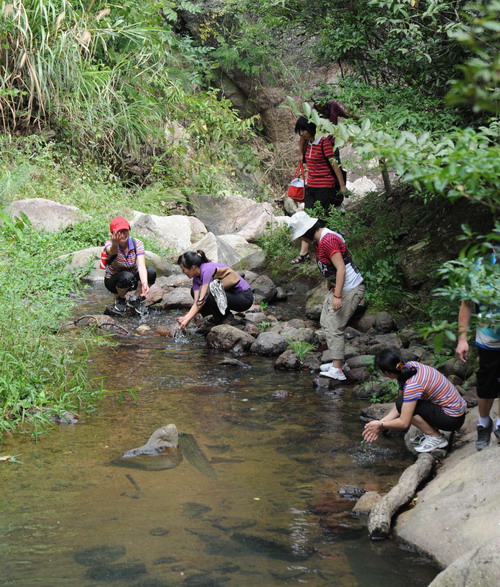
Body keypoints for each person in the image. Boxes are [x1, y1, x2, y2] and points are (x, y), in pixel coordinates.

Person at [288, 211, 364, 380]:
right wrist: (331, 285)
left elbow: (341, 268)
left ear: (308, 231)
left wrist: (337, 296)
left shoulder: (328, 240)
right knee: (325, 321)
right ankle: (338, 362)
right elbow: (329, 267)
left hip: (349, 288)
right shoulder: (318, 240)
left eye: (301, 236)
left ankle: (337, 369)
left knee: (334, 326)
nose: (301, 240)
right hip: (338, 286)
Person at [363, 347, 467, 453]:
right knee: (402, 403)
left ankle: (436, 437)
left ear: (387, 373)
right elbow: (400, 403)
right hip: (454, 411)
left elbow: (404, 422)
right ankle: (432, 433)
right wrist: (380, 422)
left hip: (452, 419)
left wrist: (381, 425)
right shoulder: (410, 367)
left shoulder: (413, 384)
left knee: (404, 405)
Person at [292, 117, 347, 265]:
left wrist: (342, 186)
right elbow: (301, 143)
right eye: (300, 131)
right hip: (311, 185)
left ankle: (328, 249)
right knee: (308, 218)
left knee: (320, 218)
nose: (301, 134)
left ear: (310, 129)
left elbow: (335, 165)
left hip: (325, 185)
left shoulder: (323, 143)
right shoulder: (308, 144)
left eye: (302, 130)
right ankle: (305, 254)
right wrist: (300, 153)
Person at [456, 299, 500, 450]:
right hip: (489, 339)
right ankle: (484, 423)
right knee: (486, 384)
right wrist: (462, 339)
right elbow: (466, 304)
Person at [176, 250, 254, 330]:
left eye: (183, 269)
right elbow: (197, 302)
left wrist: (187, 319)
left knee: (208, 292)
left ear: (193, 267)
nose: (183, 272)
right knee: (194, 291)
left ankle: (226, 318)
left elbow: (201, 300)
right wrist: (185, 319)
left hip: (244, 297)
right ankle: (215, 317)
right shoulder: (196, 279)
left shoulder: (207, 270)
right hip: (230, 295)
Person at [102, 216, 156, 314]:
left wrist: (144, 283)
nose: (123, 234)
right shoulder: (109, 244)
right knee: (127, 276)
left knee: (151, 272)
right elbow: (112, 251)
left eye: (125, 230)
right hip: (113, 281)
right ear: (112, 234)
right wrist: (115, 243)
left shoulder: (137, 243)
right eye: (119, 232)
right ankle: (120, 298)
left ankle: (135, 299)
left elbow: (141, 266)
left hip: (131, 279)